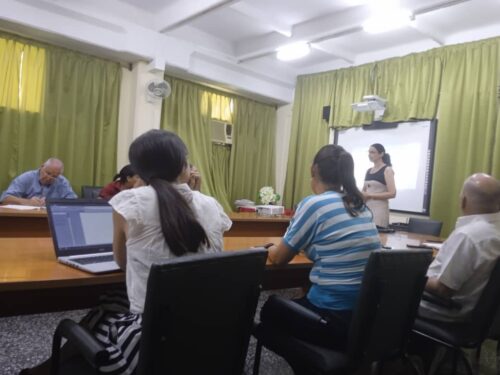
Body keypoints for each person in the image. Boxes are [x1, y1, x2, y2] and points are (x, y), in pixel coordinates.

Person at [21, 130, 232, 375]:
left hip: (148, 342)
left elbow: (122, 263)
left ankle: (43, 371)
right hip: (207, 329)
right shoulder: (211, 204)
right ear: (184, 167)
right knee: (112, 299)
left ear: (139, 170)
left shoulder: (129, 201)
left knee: (102, 311)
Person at [263, 144, 381, 349]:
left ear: (313, 169)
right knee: (303, 294)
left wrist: (269, 247)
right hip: (363, 320)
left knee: (269, 309)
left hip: (330, 321)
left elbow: (280, 258)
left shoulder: (314, 204)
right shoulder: (359, 205)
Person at [419, 173, 500, 322]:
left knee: (388, 288)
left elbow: (442, 290)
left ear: (463, 201)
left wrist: (415, 275)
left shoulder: (468, 236)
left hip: (447, 310)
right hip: (481, 315)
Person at [0, 158, 76, 206]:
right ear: (42, 166)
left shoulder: (62, 182)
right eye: (48, 173)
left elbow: (74, 202)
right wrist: (29, 202)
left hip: (50, 219)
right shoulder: (27, 177)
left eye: (54, 176)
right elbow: (5, 199)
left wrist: (51, 203)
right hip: (25, 218)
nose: (49, 178)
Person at [362, 143, 396, 227]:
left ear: (381, 154)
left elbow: (392, 193)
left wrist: (370, 195)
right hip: (366, 209)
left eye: (372, 152)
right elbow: (364, 191)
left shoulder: (387, 170)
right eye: (369, 152)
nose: (369, 155)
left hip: (379, 210)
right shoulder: (368, 170)